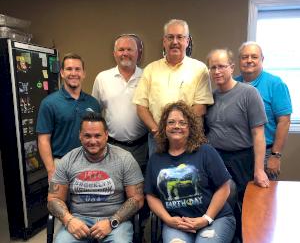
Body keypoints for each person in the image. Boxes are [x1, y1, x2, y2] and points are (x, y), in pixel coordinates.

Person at [145, 101, 236, 243]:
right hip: (177, 224)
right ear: (164, 127)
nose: (176, 126)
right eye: (171, 122)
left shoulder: (206, 151)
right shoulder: (156, 159)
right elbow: (151, 196)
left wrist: (206, 219)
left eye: (182, 123)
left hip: (215, 219)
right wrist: (167, 219)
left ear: (190, 127)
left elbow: (224, 188)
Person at [47, 112, 144, 243]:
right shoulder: (67, 160)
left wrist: (111, 222)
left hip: (115, 222)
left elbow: (137, 199)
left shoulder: (125, 159)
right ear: (80, 136)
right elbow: (54, 199)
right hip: (78, 221)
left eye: (97, 135)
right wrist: (69, 220)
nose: (93, 141)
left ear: (106, 135)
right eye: (87, 136)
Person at [133, 19, 214, 157]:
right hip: (158, 139)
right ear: (164, 41)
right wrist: (157, 131)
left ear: (187, 41)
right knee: (160, 177)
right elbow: (141, 107)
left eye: (180, 37)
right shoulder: (151, 69)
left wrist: (180, 130)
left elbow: (200, 107)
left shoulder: (199, 69)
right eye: (170, 37)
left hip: (189, 139)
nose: (175, 41)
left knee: (188, 177)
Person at [205, 49, 269, 204]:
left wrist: (259, 170)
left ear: (232, 68)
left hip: (242, 159)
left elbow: (258, 134)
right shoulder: (210, 97)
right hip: (216, 158)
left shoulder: (249, 93)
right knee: (220, 203)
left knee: (243, 204)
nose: (217, 71)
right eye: (213, 67)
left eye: (221, 66)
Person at [36, 53, 101, 180]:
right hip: (61, 164)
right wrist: (51, 170)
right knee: (60, 200)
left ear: (83, 73)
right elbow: (43, 140)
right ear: (62, 72)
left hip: (91, 164)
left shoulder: (93, 103)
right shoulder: (49, 103)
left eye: (77, 69)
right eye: (69, 69)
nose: (73, 73)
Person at [236, 41, 292, 180]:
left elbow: (284, 121)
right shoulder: (233, 84)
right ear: (239, 60)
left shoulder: (275, 83)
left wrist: (275, 156)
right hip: (238, 153)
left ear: (262, 59)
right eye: (245, 57)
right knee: (236, 196)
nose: (249, 60)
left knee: (261, 198)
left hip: (266, 152)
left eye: (254, 57)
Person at [92, 34, 148, 172]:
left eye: (130, 49)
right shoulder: (102, 78)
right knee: (115, 188)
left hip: (141, 147)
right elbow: (94, 114)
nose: (125, 53)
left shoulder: (147, 76)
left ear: (138, 53)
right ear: (114, 53)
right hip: (112, 146)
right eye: (121, 49)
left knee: (138, 189)